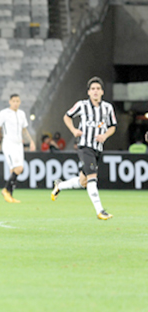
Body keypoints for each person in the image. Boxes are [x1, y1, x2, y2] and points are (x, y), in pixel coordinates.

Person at [51, 76, 117, 220]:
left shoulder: (107, 108)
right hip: (84, 146)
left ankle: (59, 185)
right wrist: (74, 130)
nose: (95, 91)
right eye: (92, 89)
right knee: (93, 178)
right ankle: (100, 211)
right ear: (88, 92)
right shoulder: (81, 105)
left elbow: (112, 126)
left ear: (102, 92)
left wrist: (105, 136)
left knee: (83, 182)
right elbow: (67, 117)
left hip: (97, 148)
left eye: (98, 89)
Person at [0, 94, 36, 203]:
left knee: (13, 170)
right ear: (10, 102)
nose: (15, 103)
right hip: (9, 143)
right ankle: (5, 190)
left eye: (17, 101)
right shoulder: (4, 113)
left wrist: (31, 141)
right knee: (19, 169)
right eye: (14, 101)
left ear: (20, 102)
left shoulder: (21, 114)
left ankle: (10, 195)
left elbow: (24, 130)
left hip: (18, 144)